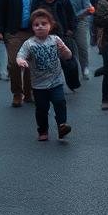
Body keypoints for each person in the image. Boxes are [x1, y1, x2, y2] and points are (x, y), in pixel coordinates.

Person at [15, 9, 73, 142]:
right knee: (41, 108)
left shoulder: (55, 39)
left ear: (50, 26)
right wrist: (21, 61)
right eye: (36, 24)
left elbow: (68, 56)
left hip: (56, 80)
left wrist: (65, 51)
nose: (40, 26)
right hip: (39, 84)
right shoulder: (29, 43)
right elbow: (20, 55)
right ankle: (42, 130)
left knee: (59, 102)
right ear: (32, 28)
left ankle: (62, 126)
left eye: (44, 23)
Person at [0, 0, 40, 107]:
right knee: (14, 63)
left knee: (29, 63)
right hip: (13, 32)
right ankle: (17, 93)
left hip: (32, 32)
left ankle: (28, 92)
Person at [60, 0, 95, 79]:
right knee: (67, 50)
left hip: (79, 22)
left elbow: (88, 7)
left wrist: (78, 15)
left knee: (82, 46)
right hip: (65, 24)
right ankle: (70, 73)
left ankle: (85, 68)